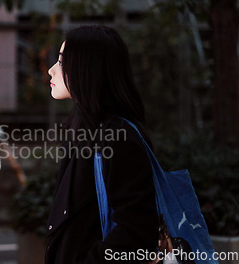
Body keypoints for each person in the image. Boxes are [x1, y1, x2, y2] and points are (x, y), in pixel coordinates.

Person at [45, 25, 159, 263]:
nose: (50, 70)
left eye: (62, 62)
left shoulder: (119, 137)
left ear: (88, 69)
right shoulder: (83, 130)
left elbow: (137, 232)